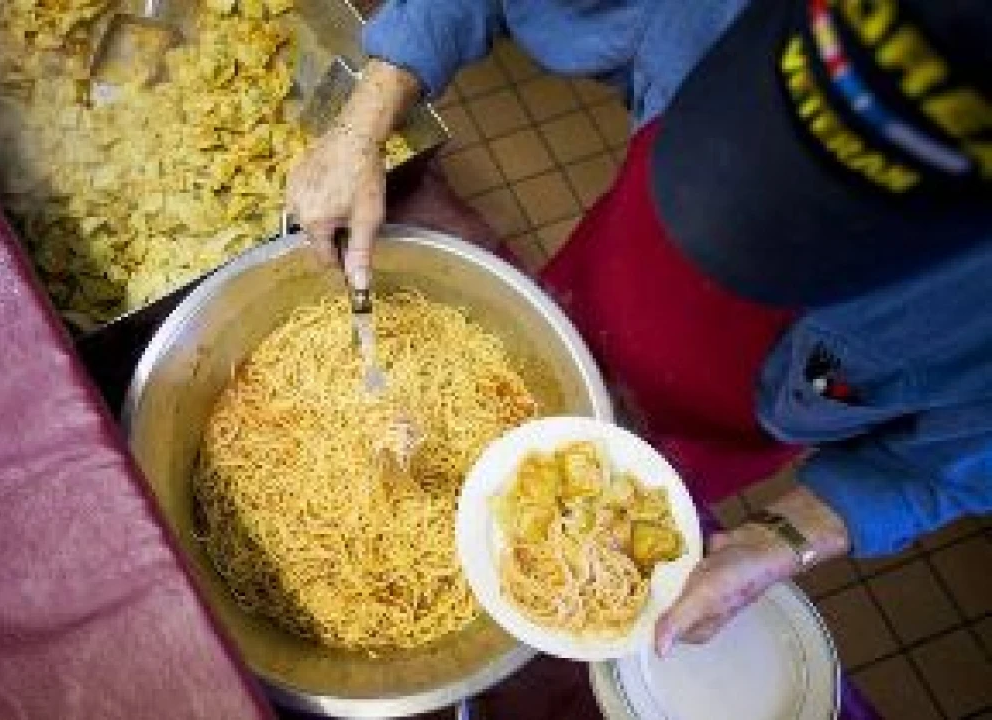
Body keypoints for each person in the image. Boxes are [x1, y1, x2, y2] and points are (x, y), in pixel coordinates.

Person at [286, 0, 992, 655]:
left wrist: (780, 540)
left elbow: (935, 470)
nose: (720, 250)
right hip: (590, 286)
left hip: (711, 437)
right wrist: (360, 128)